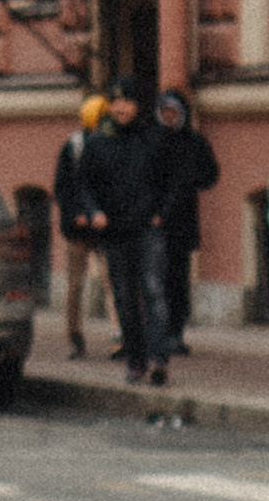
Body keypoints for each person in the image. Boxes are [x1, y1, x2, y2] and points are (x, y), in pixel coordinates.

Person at [81, 79, 172, 385]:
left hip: (147, 228)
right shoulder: (98, 142)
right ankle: (135, 360)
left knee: (153, 289)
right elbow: (85, 184)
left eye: (127, 101)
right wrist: (94, 212)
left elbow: (170, 182)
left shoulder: (154, 138)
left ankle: (159, 357)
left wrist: (161, 214)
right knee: (124, 298)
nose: (120, 108)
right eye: (115, 102)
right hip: (115, 232)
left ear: (137, 105)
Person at [151, 89, 221, 353]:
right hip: (155, 220)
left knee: (178, 279)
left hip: (182, 221)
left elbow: (211, 174)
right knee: (155, 277)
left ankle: (176, 332)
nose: (169, 117)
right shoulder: (152, 140)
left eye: (174, 113)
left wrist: (192, 180)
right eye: (165, 112)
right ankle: (157, 330)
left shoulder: (194, 142)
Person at [52, 93, 109, 357]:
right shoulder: (74, 146)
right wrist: (76, 213)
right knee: (76, 283)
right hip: (79, 227)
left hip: (104, 224)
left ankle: (122, 335)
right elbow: (62, 187)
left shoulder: (110, 143)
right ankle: (75, 336)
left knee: (114, 280)